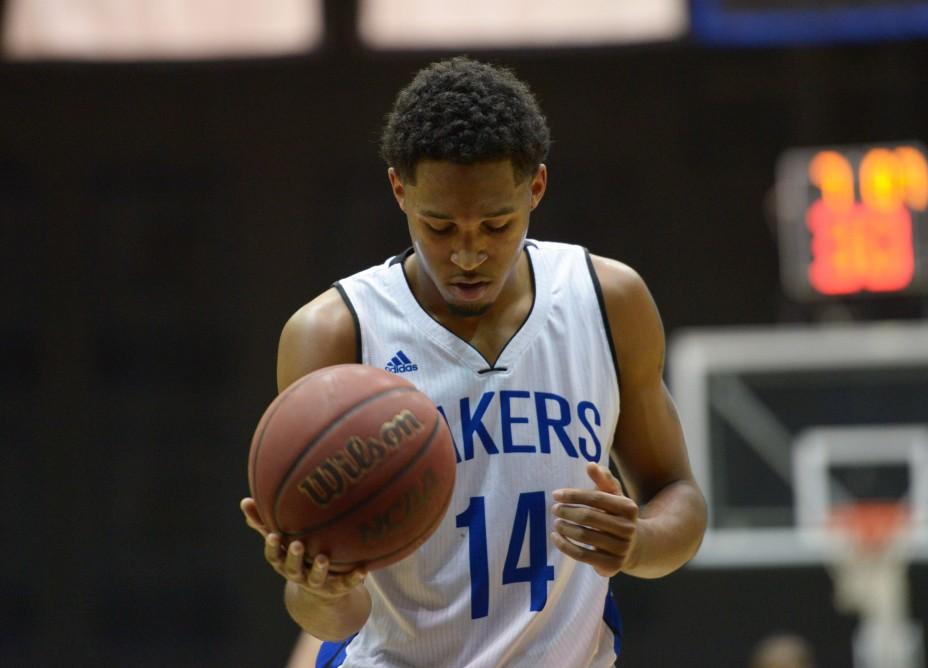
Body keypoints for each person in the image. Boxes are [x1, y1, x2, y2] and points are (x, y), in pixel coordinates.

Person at [240, 56, 707, 668]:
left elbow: (679, 495)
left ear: (536, 187)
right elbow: (333, 618)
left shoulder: (607, 301)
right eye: (438, 226)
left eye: (496, 224)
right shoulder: (334, 332)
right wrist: (317, 586)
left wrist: (640, 543)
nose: (467, 253)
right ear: (398, 190)